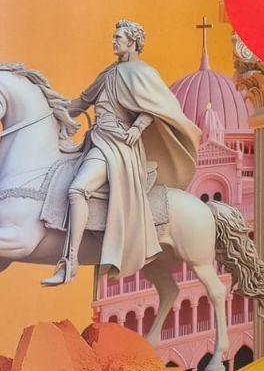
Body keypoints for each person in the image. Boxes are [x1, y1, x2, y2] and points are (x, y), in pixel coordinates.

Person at [44, 19, 199, 286]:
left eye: (118, 37)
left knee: (77, 190)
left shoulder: (143, 73)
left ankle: (70, 263)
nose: (113, 41)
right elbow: (81, 103)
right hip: (97, 141)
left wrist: (138, 127)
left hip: (118, 147)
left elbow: (157, 107)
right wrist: (46, 109)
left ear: (133, 42)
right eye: (113, 37)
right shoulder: (108, 73)